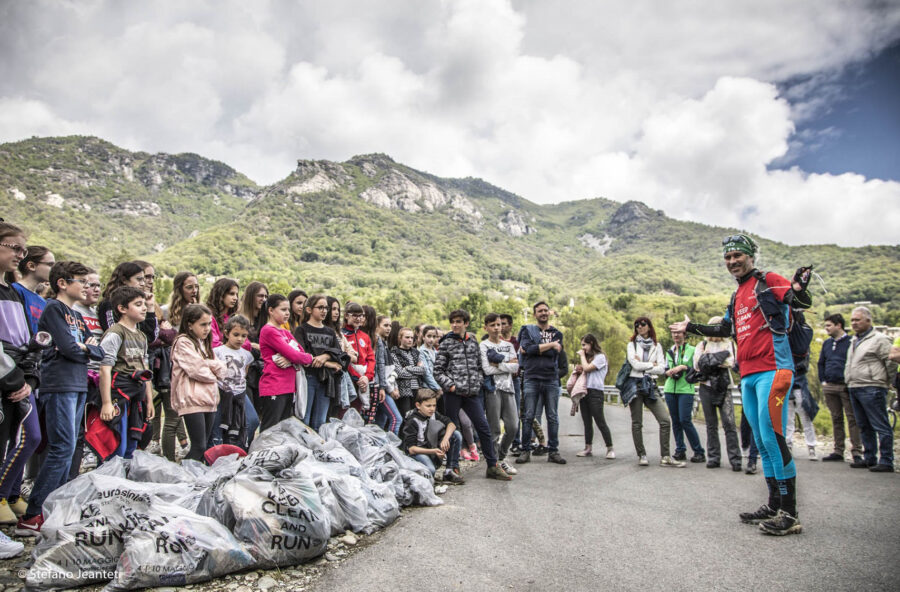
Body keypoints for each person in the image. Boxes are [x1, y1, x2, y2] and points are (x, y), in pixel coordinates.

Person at [672, 233, 812, 536]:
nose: (732, 261)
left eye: (738, 255)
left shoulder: (768, 280)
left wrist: (799, 288)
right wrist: (691, 327)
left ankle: (790, 513)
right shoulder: (737, 295)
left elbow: (800, 301)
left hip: (773, 369)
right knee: (761, 440)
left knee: (773, 438)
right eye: (728, 257)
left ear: (750, 257)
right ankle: (774, 504)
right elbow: (725, 328)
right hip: (748, 374)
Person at [18, 261, 105, 536]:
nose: (87, 287)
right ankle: (33, 514)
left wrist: (84, 349)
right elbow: (68, 348)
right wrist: (84, 348)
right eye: (82, 281)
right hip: (59, 385)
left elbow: (100, 352)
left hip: (78, 384)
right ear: (63, 283)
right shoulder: (54, 309)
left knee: (69, 448)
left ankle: (54, 508)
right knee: (62, 448)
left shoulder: (76, 315)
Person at [434, 309, 511, 481]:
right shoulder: (446, 343)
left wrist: (477, 382)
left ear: (466, 323)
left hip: (472, 394)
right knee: (453, 429)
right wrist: (451, 386)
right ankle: (452, 468)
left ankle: (492, 466)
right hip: (453, 394)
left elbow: (479, 366)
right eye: (452, 322)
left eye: (458, 322)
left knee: (483, 427)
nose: (455, 325)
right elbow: (437, 371)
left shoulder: (473, 342)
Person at [0, 222, 42, 528]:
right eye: (15, 247)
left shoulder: (12, 293)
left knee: (27, 438)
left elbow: (27, 340)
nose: (20, 254)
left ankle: (10, 494)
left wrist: (29, 379)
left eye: (23, 250)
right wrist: (15, 380)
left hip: (18, 380)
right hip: (6, 379)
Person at [93, 286, 155, 462]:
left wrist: (149, 400)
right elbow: (105, 369)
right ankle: (110, 477)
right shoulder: (115, 333)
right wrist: (106, 403)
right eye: (138, 304)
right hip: (118, 394)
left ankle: (126, 476)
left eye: (144, 304)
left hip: (137, 394)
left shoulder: (142, 336)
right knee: (116, 442)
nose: (144, 308)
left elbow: (145, 369)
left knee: (132, 443)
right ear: (122, 308)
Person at [622, 317, 683, 468]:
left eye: (643, 324)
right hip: (635, 385)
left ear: (649, 326)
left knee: (665, 420)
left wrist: (644, 365)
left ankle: (665, 456)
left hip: (650, 385)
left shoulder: (657, 345)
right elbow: (634, 365)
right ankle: (641, 455)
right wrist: (651, 364)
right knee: (637, 422)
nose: (639, 327)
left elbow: (662, 368)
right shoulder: (632, 344)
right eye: (637, 325)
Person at [170, 303, 226, 461]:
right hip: (192, 399)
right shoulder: (183, 342)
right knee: (198, 446)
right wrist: (212, 369)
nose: (207, 328)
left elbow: (222, 369)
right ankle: (183, 473)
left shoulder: (204, 344)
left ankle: (195, 473)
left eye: (209, 324)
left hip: (209, 398)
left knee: (204, 447)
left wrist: (208, 364)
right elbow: (197, 370)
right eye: (203, 325)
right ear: (190, 325)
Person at [516, 302, 566, 465]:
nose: (543, 313)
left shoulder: (557, 333)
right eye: (540, 311)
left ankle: (553, 451)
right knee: (528, 416)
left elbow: (550, 353)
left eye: (545, 310)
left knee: (553, 416)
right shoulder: (527, 330)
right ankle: (525, 451)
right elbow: (527, 349)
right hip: (531, 377)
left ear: (549, 313)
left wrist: (536, 349)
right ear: (535, 314)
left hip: (551, 378)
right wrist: (550, 345)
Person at [845, 307, 895, 472]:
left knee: (880, 424)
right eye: (852, 320)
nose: (854, 323)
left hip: (872, 386)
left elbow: (891, 362)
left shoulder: (880, 339)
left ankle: (886, 460)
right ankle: (869, 458)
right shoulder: (854, 340)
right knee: (863, 425)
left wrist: (891, 382)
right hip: (855, 386)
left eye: (857, 320)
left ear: (868, 320)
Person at [257, 294, 312, 431]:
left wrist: (292, 358)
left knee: (283, 430)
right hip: (274, 385)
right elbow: (296, 355)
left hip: (288, 387)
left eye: (288, 309)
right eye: (283, 309)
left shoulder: (285, 332)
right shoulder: (269, 330)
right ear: (271, 310)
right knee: (270, 429)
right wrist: (300, 358)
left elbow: (300, 352)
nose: (287, 313)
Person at [693, 319, 742, 471]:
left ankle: (735, 459)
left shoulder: (729, 344)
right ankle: (713, 457)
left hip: (724, 386)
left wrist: (708, 359)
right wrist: (720, 357)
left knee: (729, 423)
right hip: (706, 386)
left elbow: (731, 362)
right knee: (711, 424)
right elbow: (697, 365)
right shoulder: (702, 344)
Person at [293, 294, 347, 430]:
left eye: (326, 308)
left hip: (326, 380)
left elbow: (339, 354)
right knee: (304, 419)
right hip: (308, 378)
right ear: (309, 310)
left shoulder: (330, 332)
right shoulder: (301, 330)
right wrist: (327, 362)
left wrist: (325, 356)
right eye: (320, 307)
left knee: (320, 421)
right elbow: (302, 355)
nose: (324, 311)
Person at [817, 314, 862, 463]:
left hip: (845, 386)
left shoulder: (851, 342)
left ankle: (857, 451)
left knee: (852, 418)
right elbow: (821, 363)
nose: (826, 328)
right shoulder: (827, 343)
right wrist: (823, 380)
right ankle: (838, 450)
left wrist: (850, 381)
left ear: (838, 325)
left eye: (829, 325)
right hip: (829, 385)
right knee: (836, 418)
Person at [479, 313, 519, 475]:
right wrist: (506, 364)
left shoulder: (508, 345)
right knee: (494, 429)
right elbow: (487, 369)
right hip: (492, 390)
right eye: (492, 325)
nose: (496, 328)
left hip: (509, 389)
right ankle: (495, 463)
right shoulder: (484, 345)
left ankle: (501, 457)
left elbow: (516, 367)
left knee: (513, 426)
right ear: (486, 328)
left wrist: (498, 364)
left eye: (498, 324)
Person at [400, 389, 464, 484]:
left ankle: (449, 470)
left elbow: (451, 424)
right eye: (428, 406)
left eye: (434, 405)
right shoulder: (412, 421)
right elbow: (411, 449)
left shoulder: (433, 414)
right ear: (418, 405)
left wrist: (445, 439)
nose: (432, 409)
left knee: (456, 435)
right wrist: (433, 451)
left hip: (430, 447)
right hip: (417, 453)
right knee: (430, 471)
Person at [213, 315, 258, 448]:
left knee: (252, 420)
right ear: (227, 333)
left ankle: (238, 447)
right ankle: (216, 451)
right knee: (219, 424)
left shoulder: (247, 355)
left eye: (244, 336)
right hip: (222, 392)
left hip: (240, 393)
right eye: (236, 334)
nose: (240, 339)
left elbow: (244, 373)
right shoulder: (217, 352)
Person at [664, 327, 705, 464]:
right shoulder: (669, 351)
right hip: (670, 389)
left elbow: (697, 369)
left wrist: (683, 367)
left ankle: (699, 451)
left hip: (686, 389)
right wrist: (668, 372)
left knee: (685, 420)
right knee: (675, 421)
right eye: (674, 333)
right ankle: (680, 450)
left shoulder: (692, 350)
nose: (676, 335)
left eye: (679, 332)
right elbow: (665, 368)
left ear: (684, 334)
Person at [573, 334, 614, 459]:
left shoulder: (600, 357)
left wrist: (582, 357)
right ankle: (588, 448)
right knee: (587, 422)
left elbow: (587, 368)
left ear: (591, 343)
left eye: (584, 345)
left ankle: (610, 448)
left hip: (596, 392)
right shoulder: (588, 358)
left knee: (600, 421)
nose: (583, 348)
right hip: (585, 391)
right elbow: (584, 369)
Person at [97, 261, 158, 343]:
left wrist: (150, 307)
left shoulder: (138, 305)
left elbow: (150, 338)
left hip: (138, 350)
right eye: (139, 279)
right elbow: (114, 335)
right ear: (124, 280)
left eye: (143, 280)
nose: (143, 284)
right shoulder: (109, 304)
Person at [342, 302, 376, 419]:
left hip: (363, 380)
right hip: (349, 379)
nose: (358, 318)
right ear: (346, 315)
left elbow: (371, 359)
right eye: (355, 315)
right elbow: (343, 359)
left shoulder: (365, 336)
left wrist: (367, 377)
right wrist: (357, 377)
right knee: (343, 412)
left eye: (361, 315)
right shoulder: (342, 335)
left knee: (357, 413)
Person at [11, 245, 54, 334]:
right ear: (31, 266)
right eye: (50, 265)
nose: (53, 270)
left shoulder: (43, 302)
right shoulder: (14, 291)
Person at [373, 315, 402, 434]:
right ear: (377, 326)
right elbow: (380, 369)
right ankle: (392, 444)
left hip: (386, 387)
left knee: (381, 421)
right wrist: (387, 388)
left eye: (390, 325)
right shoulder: (377, 342)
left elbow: (390, 369)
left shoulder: (384, 343)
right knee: (396, 419)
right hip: (381, 388)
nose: (389, 328)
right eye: (385, 325)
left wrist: (394, 387)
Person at [391, 327, 426, 418]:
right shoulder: (394, 353)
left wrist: (407, 368)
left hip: (417, 389)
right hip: (403, 390)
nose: (410, 340)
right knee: (406, 416)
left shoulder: (416, 352)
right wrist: (416, 370)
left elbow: (423, 370)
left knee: (417, 416)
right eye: (407, 337)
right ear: (400, 338)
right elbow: (400, 373)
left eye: (411, 338)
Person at [205, 278, 239, 349]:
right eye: (231, 294)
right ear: (221, 294)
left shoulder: (232, 317)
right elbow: (214, 344)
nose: (235, 298)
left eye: (236, 294)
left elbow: (245, 343)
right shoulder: (208, 316)